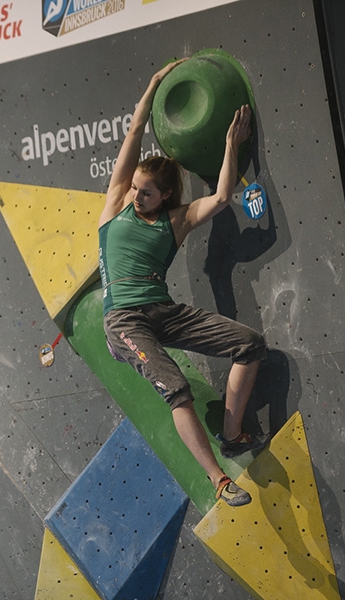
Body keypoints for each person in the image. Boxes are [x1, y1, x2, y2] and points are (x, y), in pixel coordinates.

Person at [98, 59, 267, 507]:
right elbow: (134, 135)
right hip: (124, 323)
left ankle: (231, 433)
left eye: (146, 192)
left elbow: (222, 197)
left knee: (250, 344)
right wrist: (153, 84)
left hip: (163, 312)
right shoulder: (116, 203)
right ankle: (219, 481)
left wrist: (232, 144)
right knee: (177, 389)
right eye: (135, 188)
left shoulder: (176, 221)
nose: (136, 196)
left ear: (167, 195)